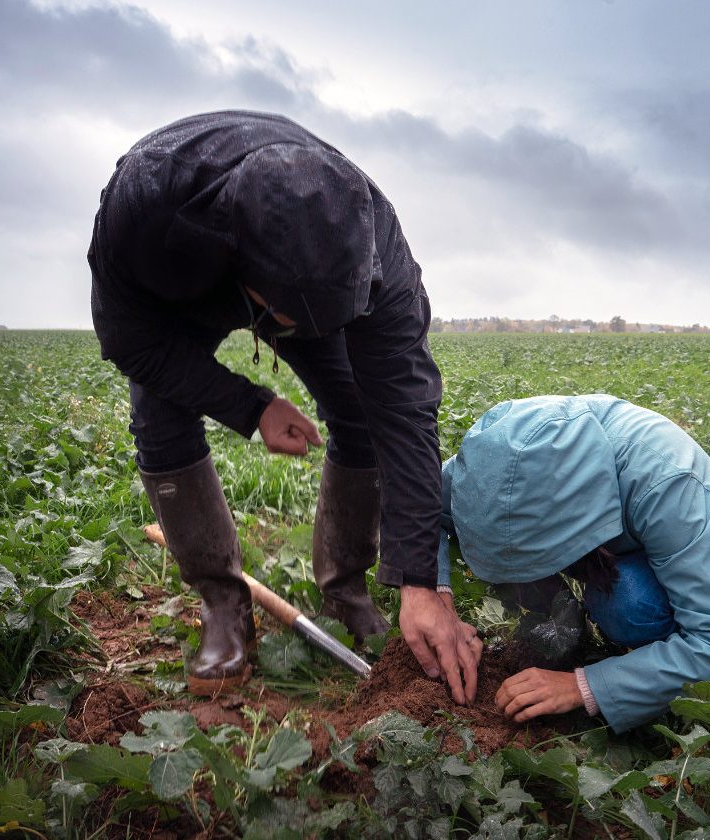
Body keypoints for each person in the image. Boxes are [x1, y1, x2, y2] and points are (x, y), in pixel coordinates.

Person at [88, 111, 477, 698]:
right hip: (176, 292)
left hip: (302, 286)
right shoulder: (147, 207)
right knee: (161, 421)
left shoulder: (376, 249)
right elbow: (130, 342)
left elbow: (405, 410)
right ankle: (223, 604)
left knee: (360, 410)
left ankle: (346, 590)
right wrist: (251, 406)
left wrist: (420, 578)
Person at [436, 394, 710, 733]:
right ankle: (568, 621)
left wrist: (584, 686)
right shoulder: (490, 468)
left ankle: (651, 658)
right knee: (515, 554)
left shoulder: (663, 484)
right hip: (639, 537)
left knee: (629, 604)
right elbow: (421, 506)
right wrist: (441, 606)